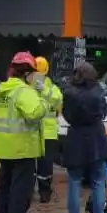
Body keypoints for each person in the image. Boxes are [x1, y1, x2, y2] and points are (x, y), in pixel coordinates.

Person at [0, 51, 49, 213]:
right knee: (21, 187)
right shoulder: (24, 91)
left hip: (4, 146)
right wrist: (42, 97)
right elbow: (35, 113)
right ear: (26, 74)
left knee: (5, 184)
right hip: (22, 146)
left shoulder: (2, 89)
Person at [60, 60, 107, 213]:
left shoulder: (69, 93)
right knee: (98, 182)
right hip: (97, 138)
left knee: (74, 181)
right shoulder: (99, 91)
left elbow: (66, 114)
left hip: (76, 139)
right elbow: (104, 112)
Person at [32, 56, 63, 204]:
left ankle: (45, 192)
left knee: (45, 166)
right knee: (30, 165)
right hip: (32, 133)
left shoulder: (52, 88)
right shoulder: (27, 88)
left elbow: (58, 102)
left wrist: (42, 89)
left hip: (48, 134)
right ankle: (28, 191)